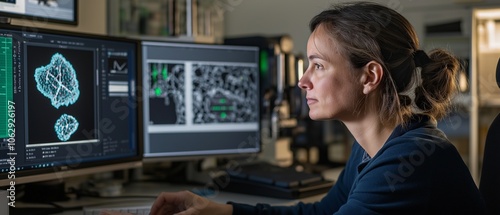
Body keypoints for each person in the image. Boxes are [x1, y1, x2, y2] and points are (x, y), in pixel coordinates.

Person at [149, 1, 487, 214]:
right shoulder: (375, 147)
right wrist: (216, 210)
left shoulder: (408, 161)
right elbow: (322, 212)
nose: (302, 81)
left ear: (369, 76)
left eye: (318, 65)